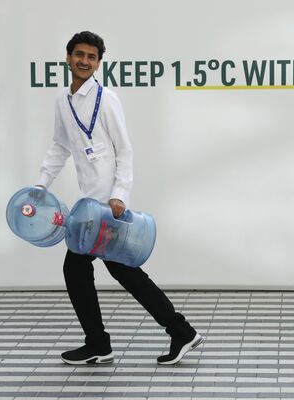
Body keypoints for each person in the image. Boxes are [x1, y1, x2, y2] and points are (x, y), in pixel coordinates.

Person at [35, 31, 202, 365]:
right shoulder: (62, 100)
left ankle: (110, 341)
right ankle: (175, 332)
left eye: (91, 57)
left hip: (107, 208)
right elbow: (59, 146)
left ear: (98, 63)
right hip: (89, 206)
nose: (84, 61)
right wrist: (41, 186)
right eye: (79, 54)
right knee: (119, 271)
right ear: (68, 57)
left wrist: (119, 196)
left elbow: (124, 150)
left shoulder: (106, 98)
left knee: (90, 269)